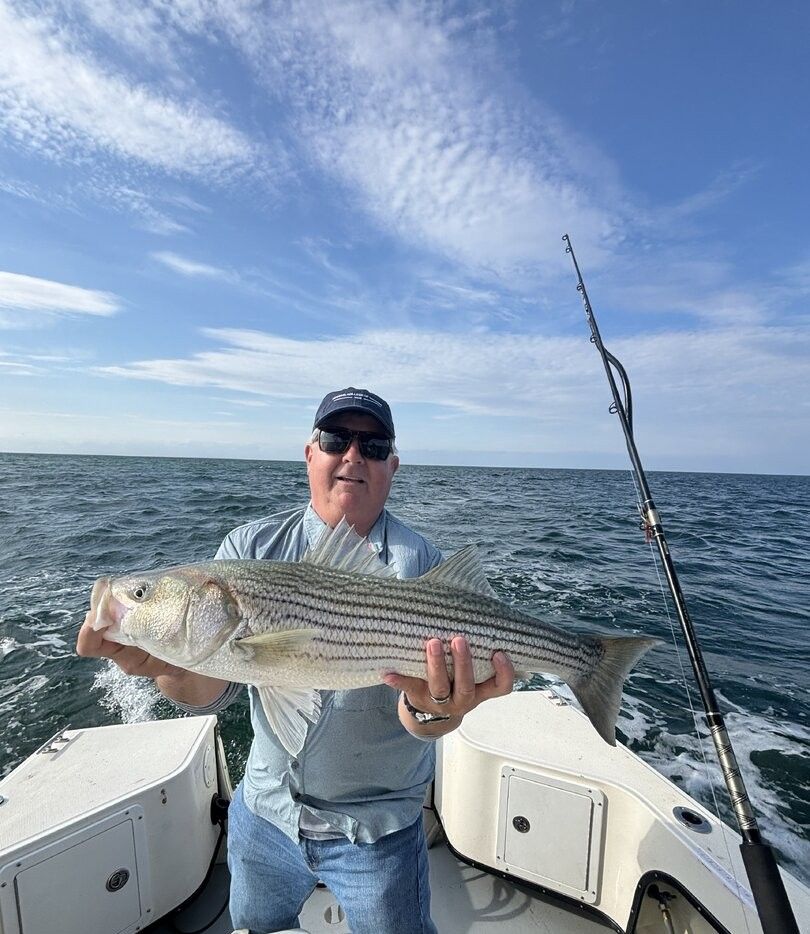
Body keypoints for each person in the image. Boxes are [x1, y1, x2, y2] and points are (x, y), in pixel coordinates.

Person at [77, 387, 515, 934]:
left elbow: (423, 717)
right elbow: (216, 688)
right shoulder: (248, 547)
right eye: (336, 440)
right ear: (311, 454)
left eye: (373, 446)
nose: (353, 456)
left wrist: (436, 708)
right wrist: (157, 664)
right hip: (264, 815)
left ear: (392, 467)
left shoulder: (419, 561)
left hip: (376, 834)